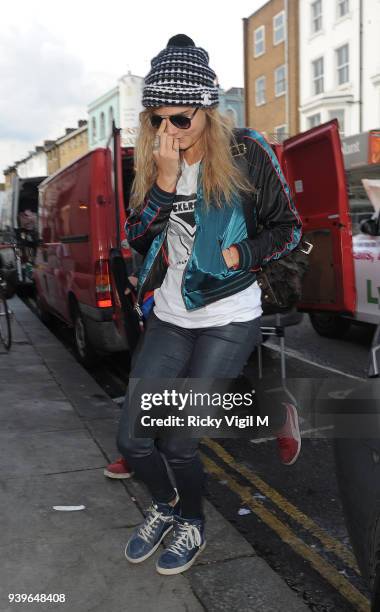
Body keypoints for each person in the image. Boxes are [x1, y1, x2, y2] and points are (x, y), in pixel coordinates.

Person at [115, 33, 302, 575]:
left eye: (180, 119)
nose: (167, 130)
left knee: (176, 438)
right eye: (157, 118)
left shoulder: (246, 149)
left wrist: (244, 251)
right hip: (171, 318)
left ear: (207, 108)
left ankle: (192, 522)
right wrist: (166, 186)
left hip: (228, 317)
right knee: (132, 437)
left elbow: (288, 229)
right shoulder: (155, 159)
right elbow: (137, 237)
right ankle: (164, 507)